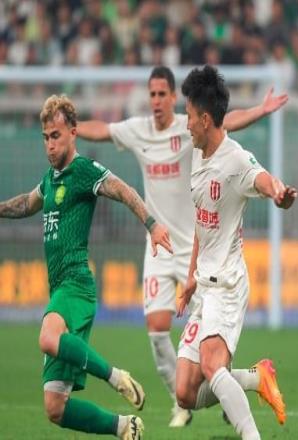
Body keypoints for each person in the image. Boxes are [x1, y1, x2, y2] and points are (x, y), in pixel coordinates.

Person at [76, 66, 288, 427]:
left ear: (178, 102)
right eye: (152, 94)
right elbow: (103, 130)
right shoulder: (168, 141)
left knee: (212, 363)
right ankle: (239, 384)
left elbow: (246, 155)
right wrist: (72, 128)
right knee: (180, 377)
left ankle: (242, 416)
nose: (158, 101)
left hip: (216, 270)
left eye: (165, 95)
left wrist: (262, 115)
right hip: (176, 257)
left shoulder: (206, 142)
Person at [0, 95, 174, 439]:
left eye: (56, 136)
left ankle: (115, 377)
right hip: (60, 289)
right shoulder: (50, 178)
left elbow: (123, 190)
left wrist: (152, 225)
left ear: (73, 133)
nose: (50, 144)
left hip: (76, 284)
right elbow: (26, 204)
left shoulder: (82, 171)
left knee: (48, 338)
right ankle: (124, 427)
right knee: (55, 408)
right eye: (45, 137)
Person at [174, 65, 297, 440]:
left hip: (227, 285)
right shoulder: (200, 151)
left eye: (189, 117)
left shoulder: (235, 160)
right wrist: (191, 277)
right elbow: (202, 222)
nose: (186, 124)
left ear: (204, 119)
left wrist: (278, 192)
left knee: (212, 365)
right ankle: (257, 378)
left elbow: (262, 178)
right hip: (204, 285)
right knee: (185, 393)